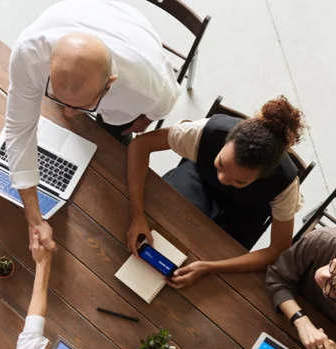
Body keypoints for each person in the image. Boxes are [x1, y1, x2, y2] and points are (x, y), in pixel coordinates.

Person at [5, 0, 181, 254]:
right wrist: (34, 218)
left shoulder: (150, 88)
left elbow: (160, 109)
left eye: (80, 106)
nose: (67, 113)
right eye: (57, 97)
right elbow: (19, 129)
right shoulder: (28, 54)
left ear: (110, 84)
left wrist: (145, 120)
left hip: (129, 32)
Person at [127, 96, 307, 288]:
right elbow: (140, 145)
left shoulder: (284, 186)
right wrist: (137, 214)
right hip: (199, 180)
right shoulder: (205, 133)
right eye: (221, 164)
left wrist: (209, 267)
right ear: (226, 140)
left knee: (212, 262)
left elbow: (278, 249)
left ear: (262, 176)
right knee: (161, 221)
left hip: (247, 211)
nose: (222, 178)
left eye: (238, 180)